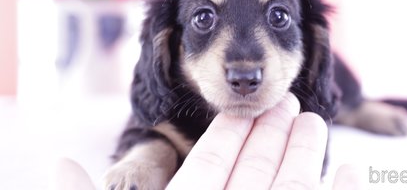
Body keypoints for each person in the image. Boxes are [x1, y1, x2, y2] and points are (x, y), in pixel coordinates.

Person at [51, 93, 361, 189]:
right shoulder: (169, 108)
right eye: (204, 17)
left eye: (278, 16)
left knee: (340, 97)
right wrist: (148, 158)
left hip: (289, 106)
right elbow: (143, 124)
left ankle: (358, 106)